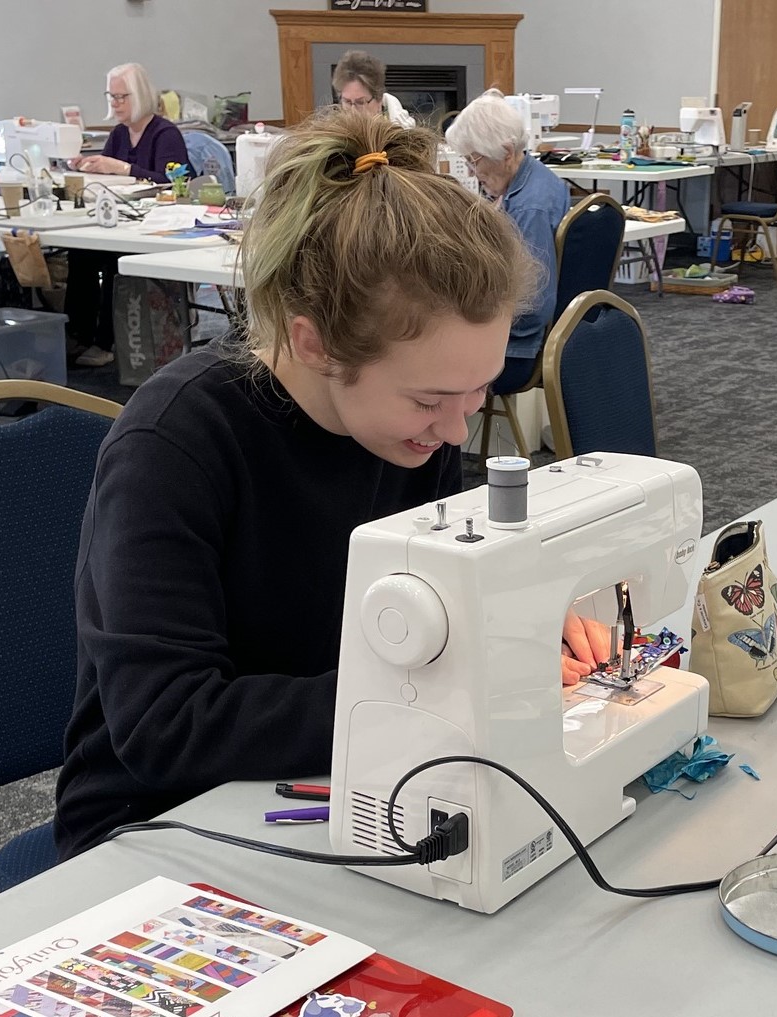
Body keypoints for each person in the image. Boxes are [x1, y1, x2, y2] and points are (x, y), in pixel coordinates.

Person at [54, 111, 605, 859]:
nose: (454, 434)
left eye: (476, 396)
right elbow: (166, 725)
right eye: (430, 399)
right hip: (160, 820)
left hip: (349, 775)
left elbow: (428, 610)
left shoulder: (407, 430)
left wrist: (527, 625)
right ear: (313, 343)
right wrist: (449, 695)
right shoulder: (175, 445)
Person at [444, 88, 571, 396]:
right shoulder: (537, 179)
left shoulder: (529, 209)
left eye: (475, 161)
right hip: (525, 342)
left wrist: (478, 330)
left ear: (507, 152)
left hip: (516, 353)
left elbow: (534, 304)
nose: (473, 173)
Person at [64, 63, 190, 367]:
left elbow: (172, 183)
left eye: (122, 97)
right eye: (112, 97)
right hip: (124, 219)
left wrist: (123, 169)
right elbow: (109, 176)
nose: (115, 104)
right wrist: (87, 166)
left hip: (158, 224)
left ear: (141, 96)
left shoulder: (165, 134)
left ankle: (105, 341)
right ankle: (75, 335)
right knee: (79, 252)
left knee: (113, 260)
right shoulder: (119, 135)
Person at [331, 50, 415, 128]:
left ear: (379, 100)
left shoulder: (403, 133)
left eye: (360, 102)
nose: (353, 112)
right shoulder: (333, 131)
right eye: (347, 102)